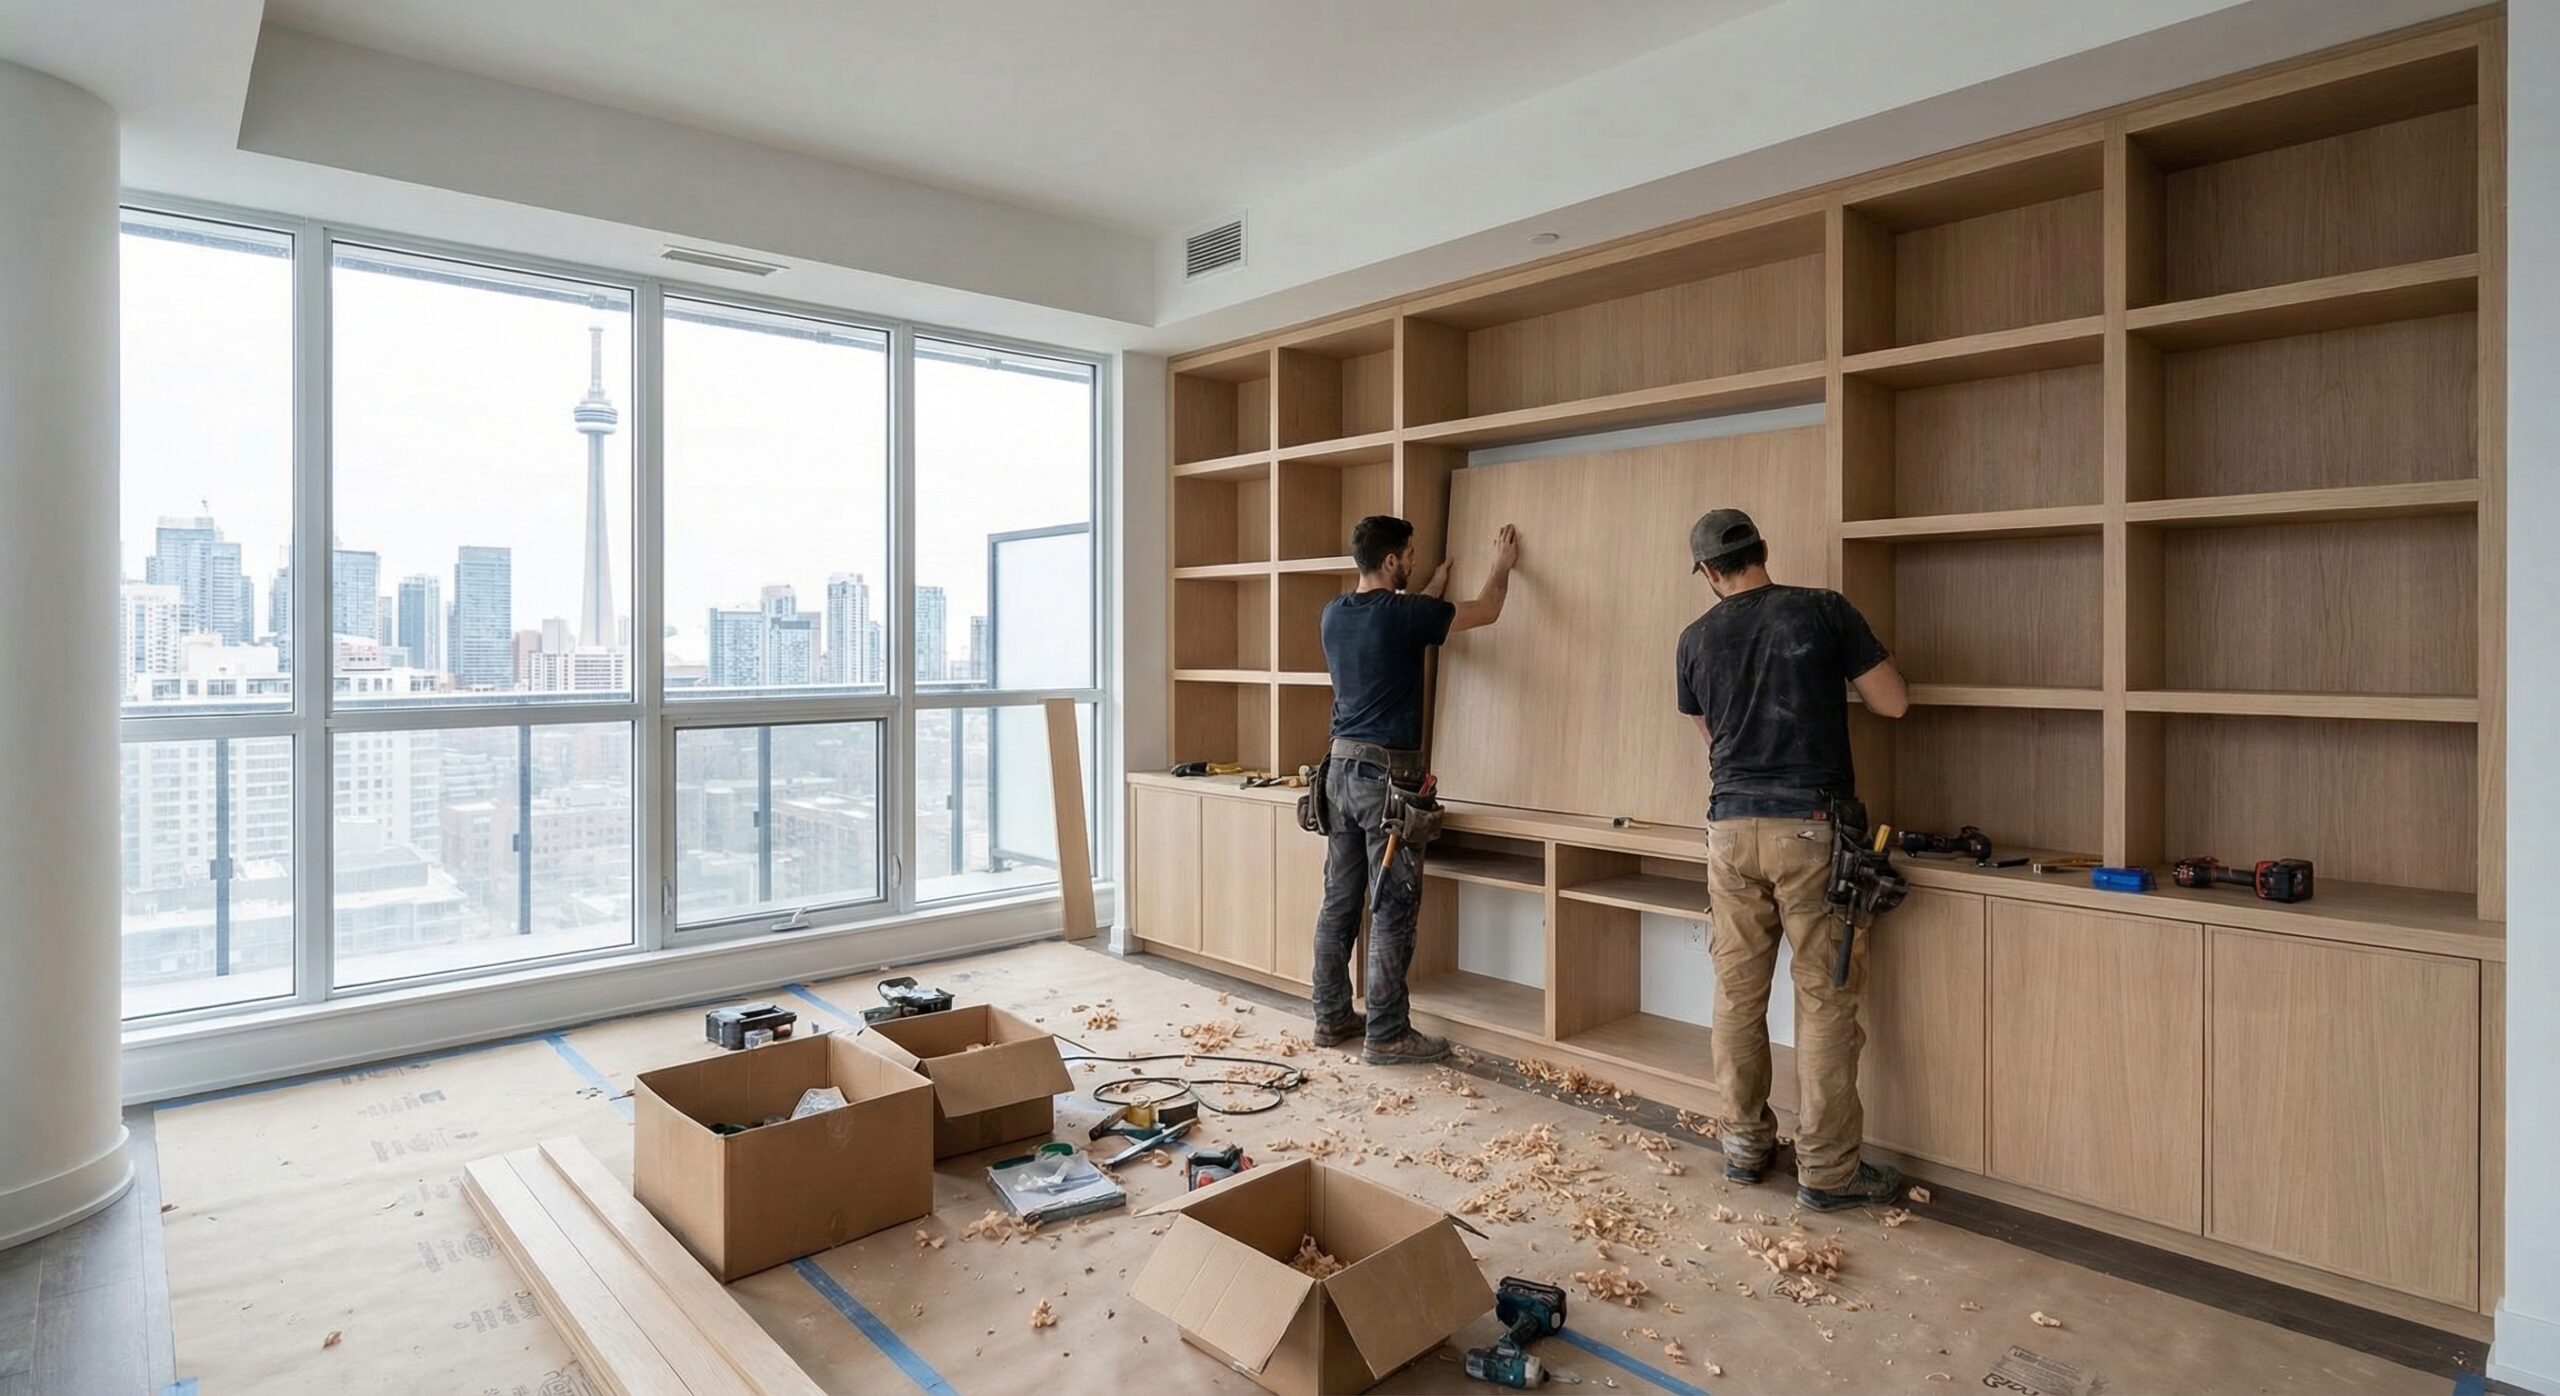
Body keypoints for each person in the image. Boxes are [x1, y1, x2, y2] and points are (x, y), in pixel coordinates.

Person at [1674, 507, 1910, 1211]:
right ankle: (1829, 1172)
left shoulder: (1694, 638)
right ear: (1763, 551)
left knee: (1738, 996)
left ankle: (1745, 1149)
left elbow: (1712, 738)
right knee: (1824, 998)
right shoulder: (1822, 612)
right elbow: (1892, 704)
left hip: (1728, 830)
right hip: (1811, 830)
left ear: (1709, 573)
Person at [1308, 515, 1520, 1065]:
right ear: (1389, 562)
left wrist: (1432, 590)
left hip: (1338, 773)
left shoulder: (1335, 614)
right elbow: (1491, 609)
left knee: (1339, 902)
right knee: (1392, 906)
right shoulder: (1407, 615)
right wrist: (1500, 567)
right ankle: (1388, 1033)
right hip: (1386, 783)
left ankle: (1331, 1017)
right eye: (1409, 554)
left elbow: (1398, 623)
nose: (1414, 561)